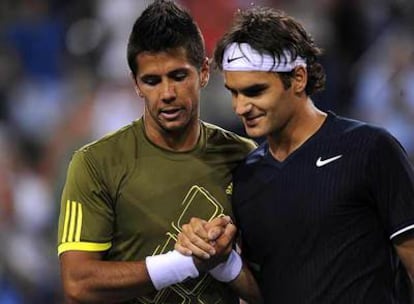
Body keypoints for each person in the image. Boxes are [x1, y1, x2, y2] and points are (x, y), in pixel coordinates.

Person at [175, 6, 414, 304]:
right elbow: (268, 293)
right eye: (234, 93)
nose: (240, 107)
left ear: (298, 79)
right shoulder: (247, 177)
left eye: (255, 91)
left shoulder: (371, 149)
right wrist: (223, 263)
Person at [56, 1, 260, 303]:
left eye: (178, 76)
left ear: (204, 72)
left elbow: (274, 290)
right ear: (136, 84)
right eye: (152, 81)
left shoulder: (247, 158)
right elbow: (78, 283)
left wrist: (225, 263)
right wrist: (184, 263)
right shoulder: (95, 164)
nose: (167, 94)